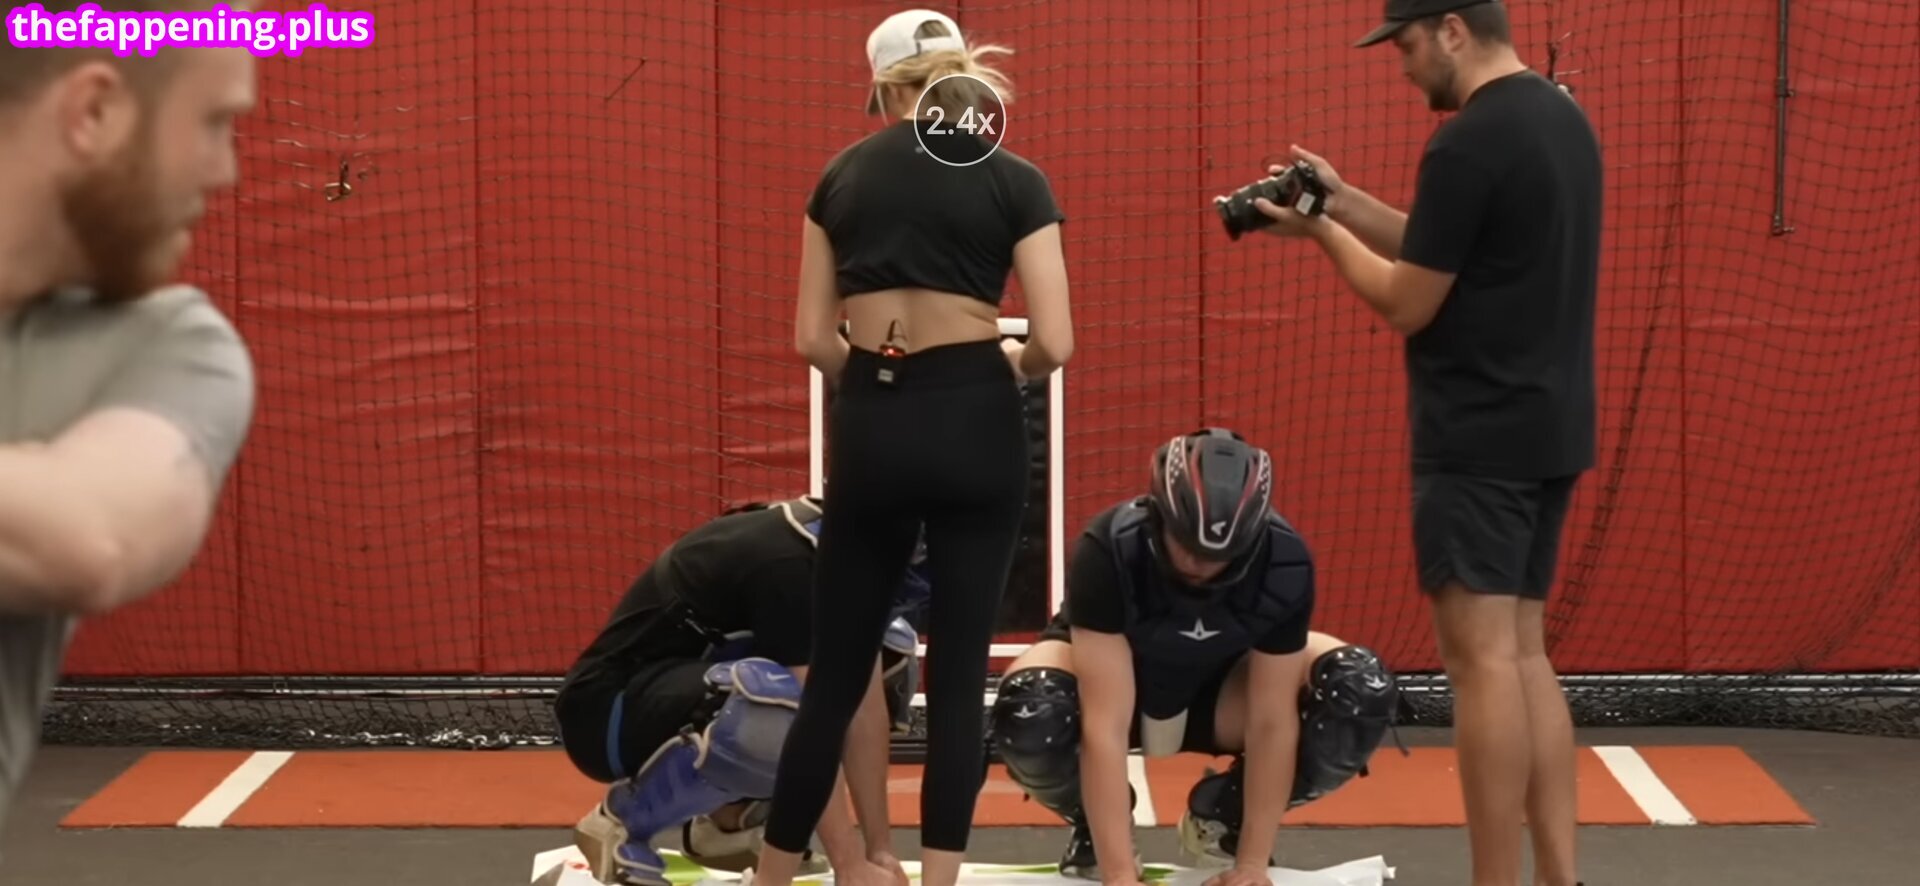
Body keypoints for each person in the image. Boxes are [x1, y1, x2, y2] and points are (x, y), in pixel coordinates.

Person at [1250, 3, 1602, 885]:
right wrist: (1343, 200)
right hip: (1550, 425)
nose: (1402, 66)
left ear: (1451, 29)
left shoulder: (1466, 141)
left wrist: (1321, 232)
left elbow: (1409, 300)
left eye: (1405, 44)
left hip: (1477, 437)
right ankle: (1560, 877)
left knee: (1482, 666)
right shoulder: (1561, 119)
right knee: (1524, 654)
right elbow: (1448, 247)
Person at [756, 8, 1076, 886]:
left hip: (875, 417)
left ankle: (771, 878)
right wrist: (1006, 366)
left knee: (835, 677)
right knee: (959, 674)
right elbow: (1054, 341)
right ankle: (939, 879)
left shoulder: (841, 177)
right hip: (977, 411)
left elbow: (811, 340)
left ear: (884, 90)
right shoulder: (1015, 178)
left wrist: (874, 381)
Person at [0, 1, 258, 841]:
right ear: (94, 111)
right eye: (213, 122)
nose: (225, 170)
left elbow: (84, 542)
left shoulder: (170, 347)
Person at [990, 429, 1401, 885]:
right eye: (1185, 544)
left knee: (1358, 688)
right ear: (1159, 517)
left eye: (1219, 556)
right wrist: (1120, 875)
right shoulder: (1108, 549)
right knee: (1033, 706)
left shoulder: (1284, 563)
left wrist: (1251, 866)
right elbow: (1104, 725)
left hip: (1223, 692)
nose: (1198, 565)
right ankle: (1095, 826)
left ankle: (1226, 816)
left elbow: (1271, 722)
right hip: (1119, 686)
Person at [557, 496, 926, 886]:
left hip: (670, 694)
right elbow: (816, 727)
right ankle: (625, 821)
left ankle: (728, 824)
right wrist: (848, 865)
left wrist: (880, 852)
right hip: (603, 715)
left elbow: (866, 712)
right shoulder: (791, 564)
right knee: (777, 701)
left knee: (890, 653)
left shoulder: (843, 552)